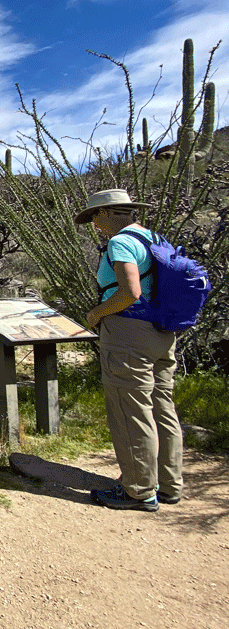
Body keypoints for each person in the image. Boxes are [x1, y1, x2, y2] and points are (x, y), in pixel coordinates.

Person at [76, 188, 182, 512]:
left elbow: (130, 291)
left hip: (129, 333)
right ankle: (169, 485)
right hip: (163, 332)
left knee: (131, 409)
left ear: (108, 213)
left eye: (95, 216)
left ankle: (138, 490)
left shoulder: (121, 242)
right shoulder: (155, 239)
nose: (94, 224)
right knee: (161, 405)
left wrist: (97, 314)